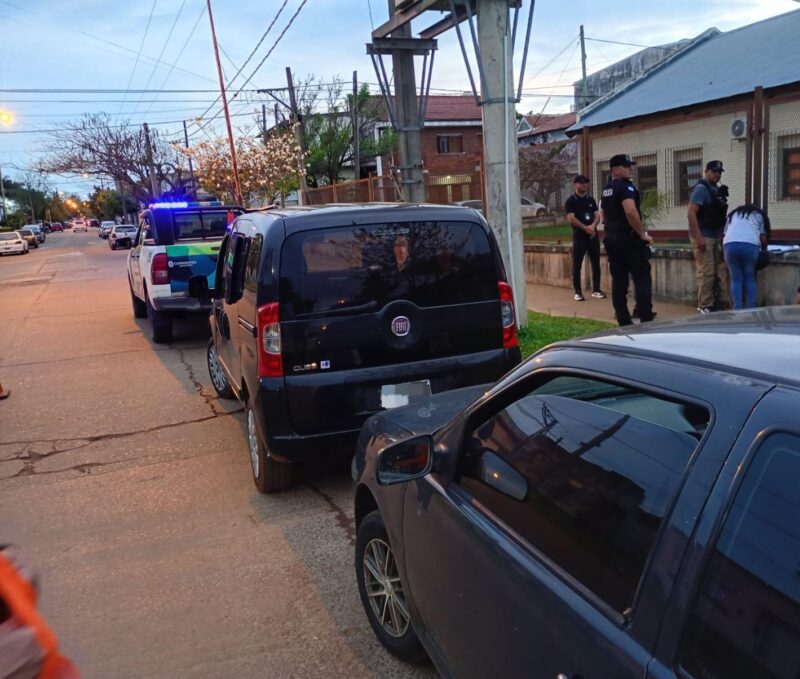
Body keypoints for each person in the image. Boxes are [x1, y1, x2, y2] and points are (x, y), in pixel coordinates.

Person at [600, 154, 654, 326]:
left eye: (630, 165)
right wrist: (642, 234)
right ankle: (646, 318)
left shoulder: (607, 188)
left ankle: (623, 320)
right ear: (615, 170)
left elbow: (604, 213)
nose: (631, 168)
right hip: (629, 239)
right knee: (642, 279)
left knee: (619, 281)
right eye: (626, 166)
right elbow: (630, 212)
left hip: (612, 239)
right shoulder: (626, 187)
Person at [688, 160, 731, 313]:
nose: (717, 174)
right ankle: (705, 304)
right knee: (707, 272)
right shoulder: (701, 188)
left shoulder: (716, 190)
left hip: (716, 235)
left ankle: (715, 302)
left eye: (719, 172)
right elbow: (691, 214)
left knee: (717, 271)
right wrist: (698, 237)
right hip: (704, 235)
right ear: (706, 171)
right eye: (714, 171)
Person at [565, 175, 605, 302]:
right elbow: (571, 218)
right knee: (577, 264)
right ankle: (578, 291)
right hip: (579, 237)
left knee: (596, 263)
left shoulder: (591, 200)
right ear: (575, 184)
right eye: (581, 183)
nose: (584, 186)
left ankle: (596, 289)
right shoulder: (571, 201)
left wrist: (593, 226)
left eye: (586, 183)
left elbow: (597, 215)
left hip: (592, 236)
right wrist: (584, 228)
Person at [723, 204, 770, 309]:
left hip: (730, 245)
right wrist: (764, 249)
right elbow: (763, 238)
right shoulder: (758, 215)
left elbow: (725, 233)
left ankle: (737, 308)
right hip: (750, 245)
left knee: (735, 278)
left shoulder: (732, 215)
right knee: (749, 276)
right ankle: (751, 307)